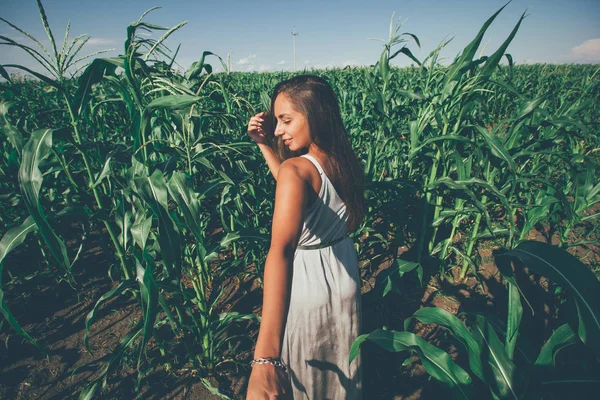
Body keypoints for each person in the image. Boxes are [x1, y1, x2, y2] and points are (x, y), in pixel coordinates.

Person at [245, 75, 364, 399]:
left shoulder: (296, 171)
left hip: (309, 285)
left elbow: (281, 251)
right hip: (344, 277)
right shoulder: (343, 160)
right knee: (340, 374)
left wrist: (265, 358)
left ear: (316, 114)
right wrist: (264, 145)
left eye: (286, 120)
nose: (278, 131)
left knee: (307, 380)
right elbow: (296, 188)